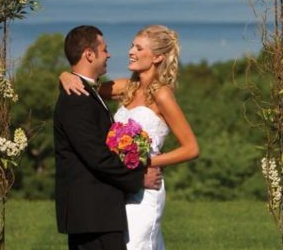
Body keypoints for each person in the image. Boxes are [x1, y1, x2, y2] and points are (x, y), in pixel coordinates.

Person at [60, 25, 199, 250]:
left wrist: (148, 162)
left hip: (146, 188)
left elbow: (191, 148)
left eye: (138, 47)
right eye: (132, 45)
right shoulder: (125, 87)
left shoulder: (162, 94)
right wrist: (65, 76)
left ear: (157, 57)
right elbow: (85, 85)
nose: (131, 51)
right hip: (119, 187)